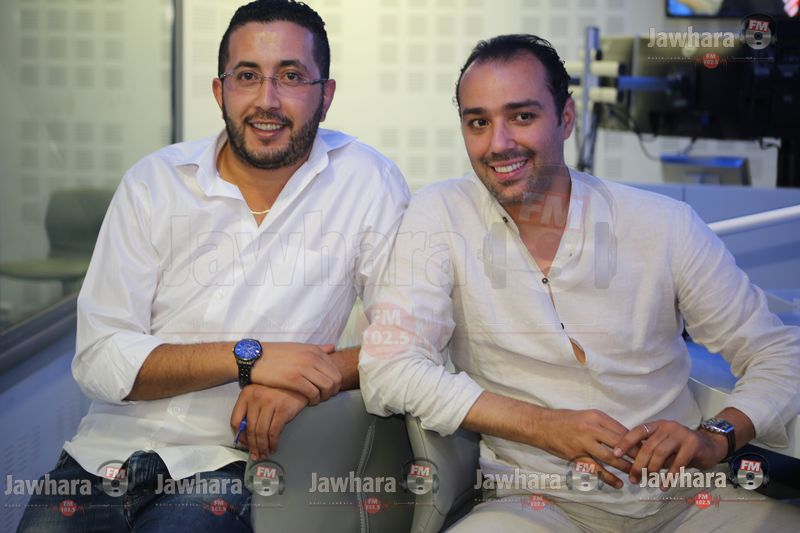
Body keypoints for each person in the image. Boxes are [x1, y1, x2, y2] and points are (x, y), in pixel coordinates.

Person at [359, 34, 800, 531]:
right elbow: (389, 366)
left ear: (566, 117)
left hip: (685, 501)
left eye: (522, 116)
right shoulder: (441, 213)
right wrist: (542, 426)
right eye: (478, 122)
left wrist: (717, 436)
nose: (498, 143)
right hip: (534, 504)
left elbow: (777, 353)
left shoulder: (663, 224)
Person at [17, 1, 409, 531]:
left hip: (226, 461)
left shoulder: (366, 182)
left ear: (326, 94)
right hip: (101, 456)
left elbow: (409, 338)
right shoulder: (154, 183)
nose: (267, 100)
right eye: (247, 76)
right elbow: (99, 359)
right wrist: (249, 359)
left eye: (291, 76)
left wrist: (313, 378)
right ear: (220, 90)